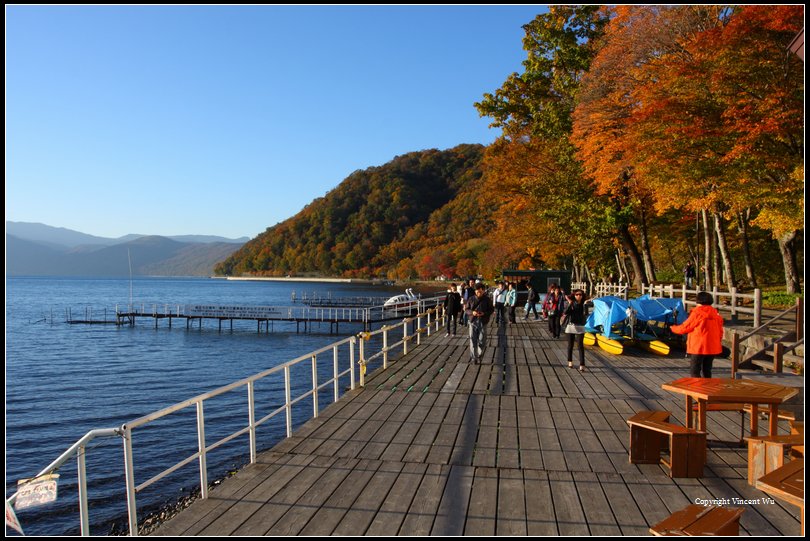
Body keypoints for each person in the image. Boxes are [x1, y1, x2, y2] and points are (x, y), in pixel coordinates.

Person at [670, 291, 724, 378]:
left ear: (698, 301)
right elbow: (720, 332)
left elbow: (685, 327)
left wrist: (673, 328)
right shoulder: (716, 315)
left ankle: (696, 388)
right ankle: (707, 388)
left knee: (695, 370)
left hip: (698, 346)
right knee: (707, 370)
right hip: (712, 346)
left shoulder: (697, 313)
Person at [562, 289, 592, 372]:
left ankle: (582, 364)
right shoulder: (571, 303)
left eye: (580, 295)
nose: (579, 296)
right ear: (574, 296)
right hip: (571, 326)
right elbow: (566, 312)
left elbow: (585, 314)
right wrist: (570, 303)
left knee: (580, 346)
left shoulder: (583, 304)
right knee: (570, 345)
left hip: (580, 326)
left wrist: (585, 305)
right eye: (577, 294)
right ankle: (570, 361)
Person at [465, 282, 494, 363]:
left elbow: (491, 309)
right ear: (475, 291)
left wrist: (484, 313)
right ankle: (474, 357)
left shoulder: (487, 299)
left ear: (483, 291)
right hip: (473, 321)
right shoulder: (471, 299)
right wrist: (472, 312)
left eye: (480, 291)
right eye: (477, 291)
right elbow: (466, 309)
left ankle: (479, 354)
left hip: (483, 321)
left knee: (482, 340)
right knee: (472, 340)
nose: (479, 293)